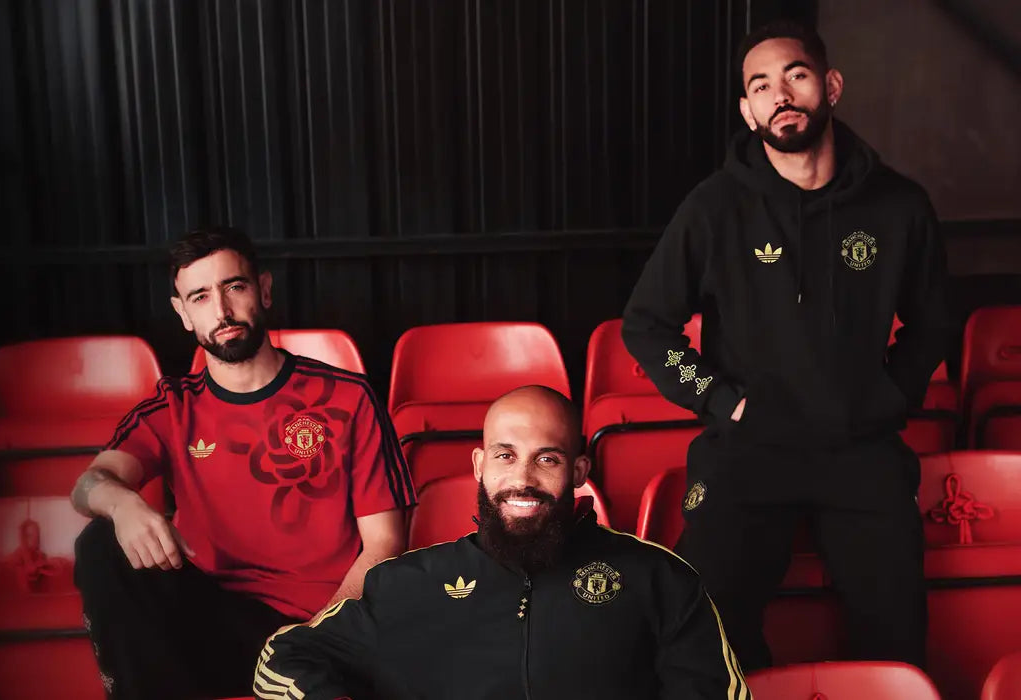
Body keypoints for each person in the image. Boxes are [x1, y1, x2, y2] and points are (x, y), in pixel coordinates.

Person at [619, 19, 952, 672]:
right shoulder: (714, 208)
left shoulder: (899, 204)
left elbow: (935, 320)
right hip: (750, 447)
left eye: (795, 75)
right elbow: (646, 324)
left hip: (860, 447)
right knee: (703, 624)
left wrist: (888, 396)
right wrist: (722, 401)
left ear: (831, 86)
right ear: (748, 110)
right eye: (761, 85)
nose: (780, 94)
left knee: (896, 628)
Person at [70, 225, 416, 700]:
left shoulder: (347, 397)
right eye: (200, 297)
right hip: (212, 625)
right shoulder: (173, 407)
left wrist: (314, 638)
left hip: (319, 626)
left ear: (264, 290)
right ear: (183, 313)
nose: (221, 310)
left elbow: (384, 544)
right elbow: (89, 484)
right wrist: (123, 504)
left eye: (234, 287)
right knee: (100, 542)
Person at [256, 386, 747, 699]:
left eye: (547, 459)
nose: (523, 479)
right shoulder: (409, 584)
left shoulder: (658, 577)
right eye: (506, 456)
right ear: (479, 465)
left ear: (579, 472)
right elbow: (282, 658)